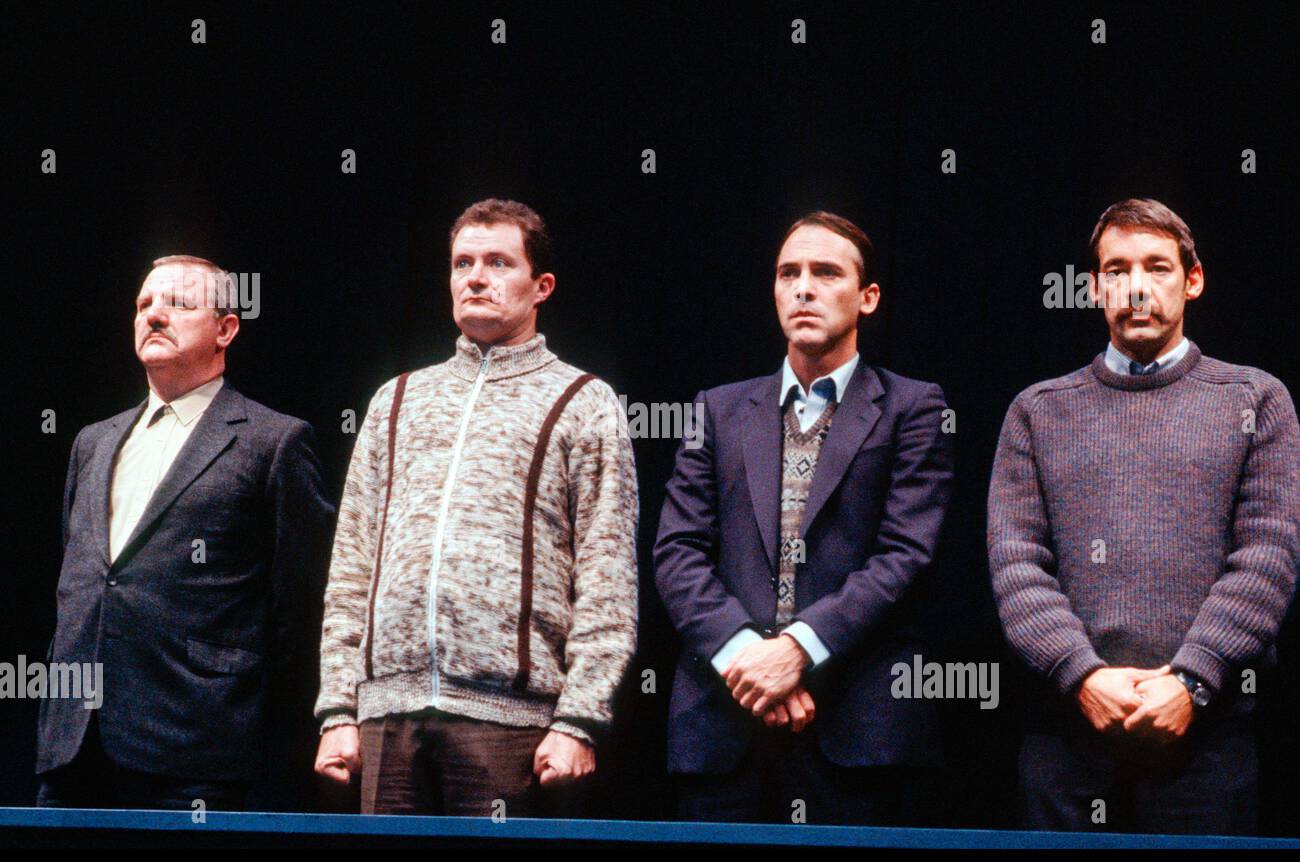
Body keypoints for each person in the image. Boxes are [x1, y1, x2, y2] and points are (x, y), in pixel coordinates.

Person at [313, 199, 638, 817]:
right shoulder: (397, 398)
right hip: (387, 719)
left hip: (512, 723)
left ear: (541, 286)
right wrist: (337, 710)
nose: (476, 277)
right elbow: (351, 567)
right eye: (463, 262)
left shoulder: (583, 400)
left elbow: (607, 572)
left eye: (497, 262)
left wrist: (579, 720)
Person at [988, 198, 1300, 834]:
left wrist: (1192, 681)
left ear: (1193, 280)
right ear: (1095, 286)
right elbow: (1016, 563)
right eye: (1116, 269)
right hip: (1066, 739)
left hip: (1208, 739)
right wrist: (1081, 675)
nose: (1135, 287)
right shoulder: (1038, 411)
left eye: (1156, 267)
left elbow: (1267, 555)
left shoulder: (1257, 399)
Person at [655, 211, 954, 824]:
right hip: (723, 720)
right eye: (789, 273)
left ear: (867, 297)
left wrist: (797, 649)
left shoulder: (915, 407)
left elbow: (906, 555)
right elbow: (677, 551)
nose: (803, 288)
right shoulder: (718, 408)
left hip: (860, 726)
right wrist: (748, 657)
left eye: (825, 272)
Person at [37, 255, 335, 809]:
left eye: (177, 303)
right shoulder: (92, 442)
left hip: (198, 749)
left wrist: (251, 719)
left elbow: (302, 605)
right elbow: (82, 583)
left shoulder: (274, 441)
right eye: (144, 304)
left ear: (225, 329)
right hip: (74, 746)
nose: (154, 315)